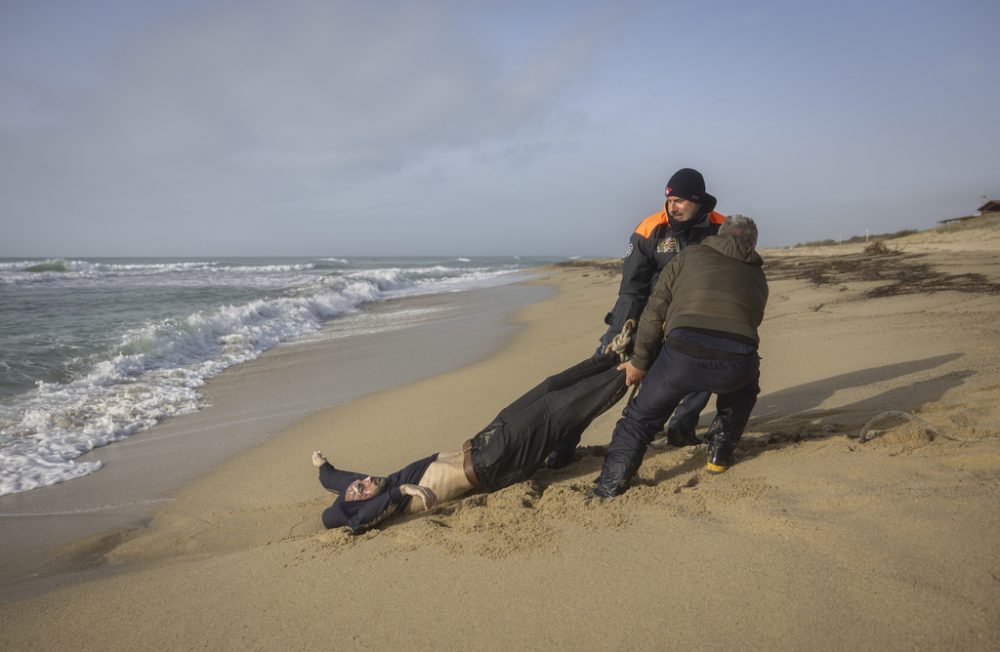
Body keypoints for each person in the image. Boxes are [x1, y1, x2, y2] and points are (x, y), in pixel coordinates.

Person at [314, 352, 628, 532]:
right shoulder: (391, 500)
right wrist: (402, 489)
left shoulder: (375, 487)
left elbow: (337, 480)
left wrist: (323, 467)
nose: (365, 480)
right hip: (493, 462)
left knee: (548, 387)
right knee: (554, 410)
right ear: (364, 502)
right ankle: (629, 372)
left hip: (482, 440)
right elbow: (359, 522)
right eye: (361, 489)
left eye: (360, 482)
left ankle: (614, 354)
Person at [592, 214, 768, 498]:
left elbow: (654, 311)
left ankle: (611, 484)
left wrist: (640, 361)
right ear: (753, 243)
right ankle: (719, 455)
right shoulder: (757, 273)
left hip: (681, 358)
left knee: (638, 420)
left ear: (720, 234)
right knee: (746, 388)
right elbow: (752, 320)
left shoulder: (688, 257)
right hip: (735, 363)